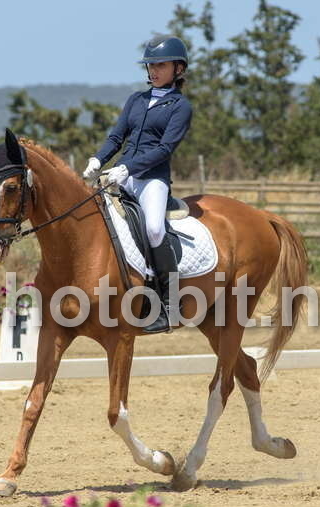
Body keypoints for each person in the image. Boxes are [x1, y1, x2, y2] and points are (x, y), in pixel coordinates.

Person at [82, 34, 193, 334]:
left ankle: (169, 304)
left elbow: (165, 149)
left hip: (151, 179)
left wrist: (127, 168)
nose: (153, 70)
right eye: (151, 65)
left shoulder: (180, 106)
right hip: (120, 175)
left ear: (178, 68)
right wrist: (98, 159)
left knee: (154, 229)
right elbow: (117, 137)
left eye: (161, 65)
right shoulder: (137, 100)